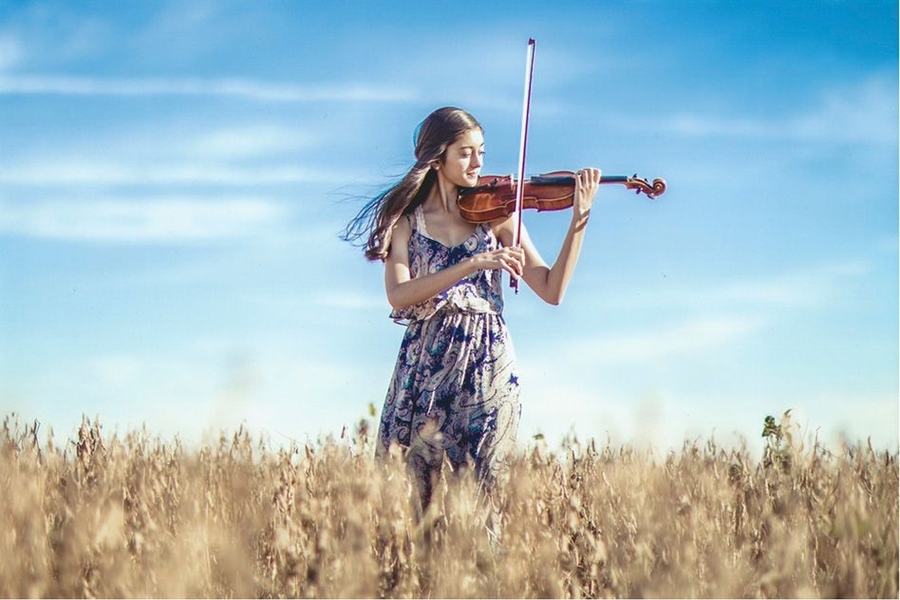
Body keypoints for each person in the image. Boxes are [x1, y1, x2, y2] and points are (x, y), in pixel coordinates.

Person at [343, 106, 600, 515]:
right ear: (437, 158)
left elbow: (552, 290)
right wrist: (471, 264)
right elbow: (398, 294)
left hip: (487, 362)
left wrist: (580, 218)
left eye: (481, 151)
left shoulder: (499, 216)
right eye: (465, 153)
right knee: (415, 505)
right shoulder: (407, 222)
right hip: (425, 365)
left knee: (485, 499)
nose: (478, 163)